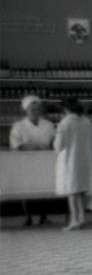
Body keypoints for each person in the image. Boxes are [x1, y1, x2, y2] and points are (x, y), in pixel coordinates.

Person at [9, 94, 56, 226]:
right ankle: (28, 217)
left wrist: (50, 148)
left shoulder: (48, 125)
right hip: (25, 162)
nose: (35, 112)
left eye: (38, 109)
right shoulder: (18, 126)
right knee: (26, 189)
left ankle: (44, 216)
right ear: (26, 110)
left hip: (44, 161)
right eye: (32, 109)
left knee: (45, 188)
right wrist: (30, 146)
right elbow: (15, 144)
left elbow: (54, 142)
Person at [53, 97, 92, 231]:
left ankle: (74, 220)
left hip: (70, 160)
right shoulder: (87, 122)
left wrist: (55, 144)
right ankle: (82, 218)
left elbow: (59, 145)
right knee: (81, 190)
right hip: (85, 159)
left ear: (65, 109)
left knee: (72, 191)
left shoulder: (65, 123)